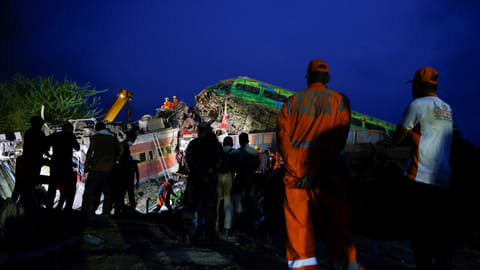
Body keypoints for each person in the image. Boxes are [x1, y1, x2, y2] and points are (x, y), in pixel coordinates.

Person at [276, 59, 364, 270]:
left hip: (297, 172)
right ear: (328, 78)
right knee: (337, 223)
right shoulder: (340, 101)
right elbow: (338, 141)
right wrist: (317, 170)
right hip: (327, 170)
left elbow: (282, 138)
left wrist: (297, 170)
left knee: (299, 226)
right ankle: (345, 265)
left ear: (308, 77)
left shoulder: (292, 102)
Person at [392, 66, 453, 270]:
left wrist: (407, 135)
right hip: (443, 179)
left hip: (420, 178)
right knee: (441, 237)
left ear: (418, 85)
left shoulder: (417, 105)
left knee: (421, 238)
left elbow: (397, 139)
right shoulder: (447, 108)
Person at [182, 121, 223, 244]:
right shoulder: (216, 145)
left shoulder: (194, 144)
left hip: (195, 179)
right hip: (210, 181)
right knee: (209, 208)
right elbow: (220, 162)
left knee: (191, 207)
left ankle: (190, 235)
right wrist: (210, 172)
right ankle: (209, 235)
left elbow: (188, 159)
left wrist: (199, 171)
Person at [82, 122, 121, 217]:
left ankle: (86, 212)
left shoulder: (95, 137)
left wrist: (87, 165)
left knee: (90, 192)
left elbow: (90, 151)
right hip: (108, 169)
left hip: (96, 168)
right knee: (108, 193)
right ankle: (105, 213)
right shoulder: (113, 138)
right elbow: (121, 149)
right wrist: (116, 159)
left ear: (97, 128)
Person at [13, 116, 49, 211]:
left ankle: (17, 205)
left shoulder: (28, 133)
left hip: (28, 162)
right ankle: (26, 206)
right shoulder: (39, 134)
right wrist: (48, 156)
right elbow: (44, 148)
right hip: (34, 163)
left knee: (23, 185)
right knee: (30, 184)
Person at [46, 122, 80, 212]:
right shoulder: (70, 136)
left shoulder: (54, 135)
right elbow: (77, 147)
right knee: (67, 187)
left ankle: (49, 207)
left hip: (55, 164)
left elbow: (44, 145)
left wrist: (50, 156)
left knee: (52, 187)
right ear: (70, 129)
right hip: (66, 165)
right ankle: (64, 208)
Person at [230, 132, 260, 230]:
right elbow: (257, 165)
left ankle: (240, 223)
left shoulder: (236, 153)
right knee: (251, 200)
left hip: (240, 179)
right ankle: (250, 222)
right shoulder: (254, 152)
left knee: (240, 202)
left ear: (239, 140)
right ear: (248, 140)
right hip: (251, 178)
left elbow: (233, 168)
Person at [112, 130, 139, 215]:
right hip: (125, 174)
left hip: (121, 174)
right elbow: (123, 161)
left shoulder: (122, 145)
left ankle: (118, 210)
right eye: (134, 139)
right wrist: (133, 162)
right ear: (130, 138)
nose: (133, 142)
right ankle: (125, 211)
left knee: (121, 194)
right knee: (127, 193)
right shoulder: (125, 146)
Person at [215, 136, 235, 236]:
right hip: (228, 176)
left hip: (218, 176)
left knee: (217, 202)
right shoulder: (233, 152)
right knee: (227, 202)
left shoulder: (218, 152)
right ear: (231, 143)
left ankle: (216, 226)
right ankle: (227, 227)